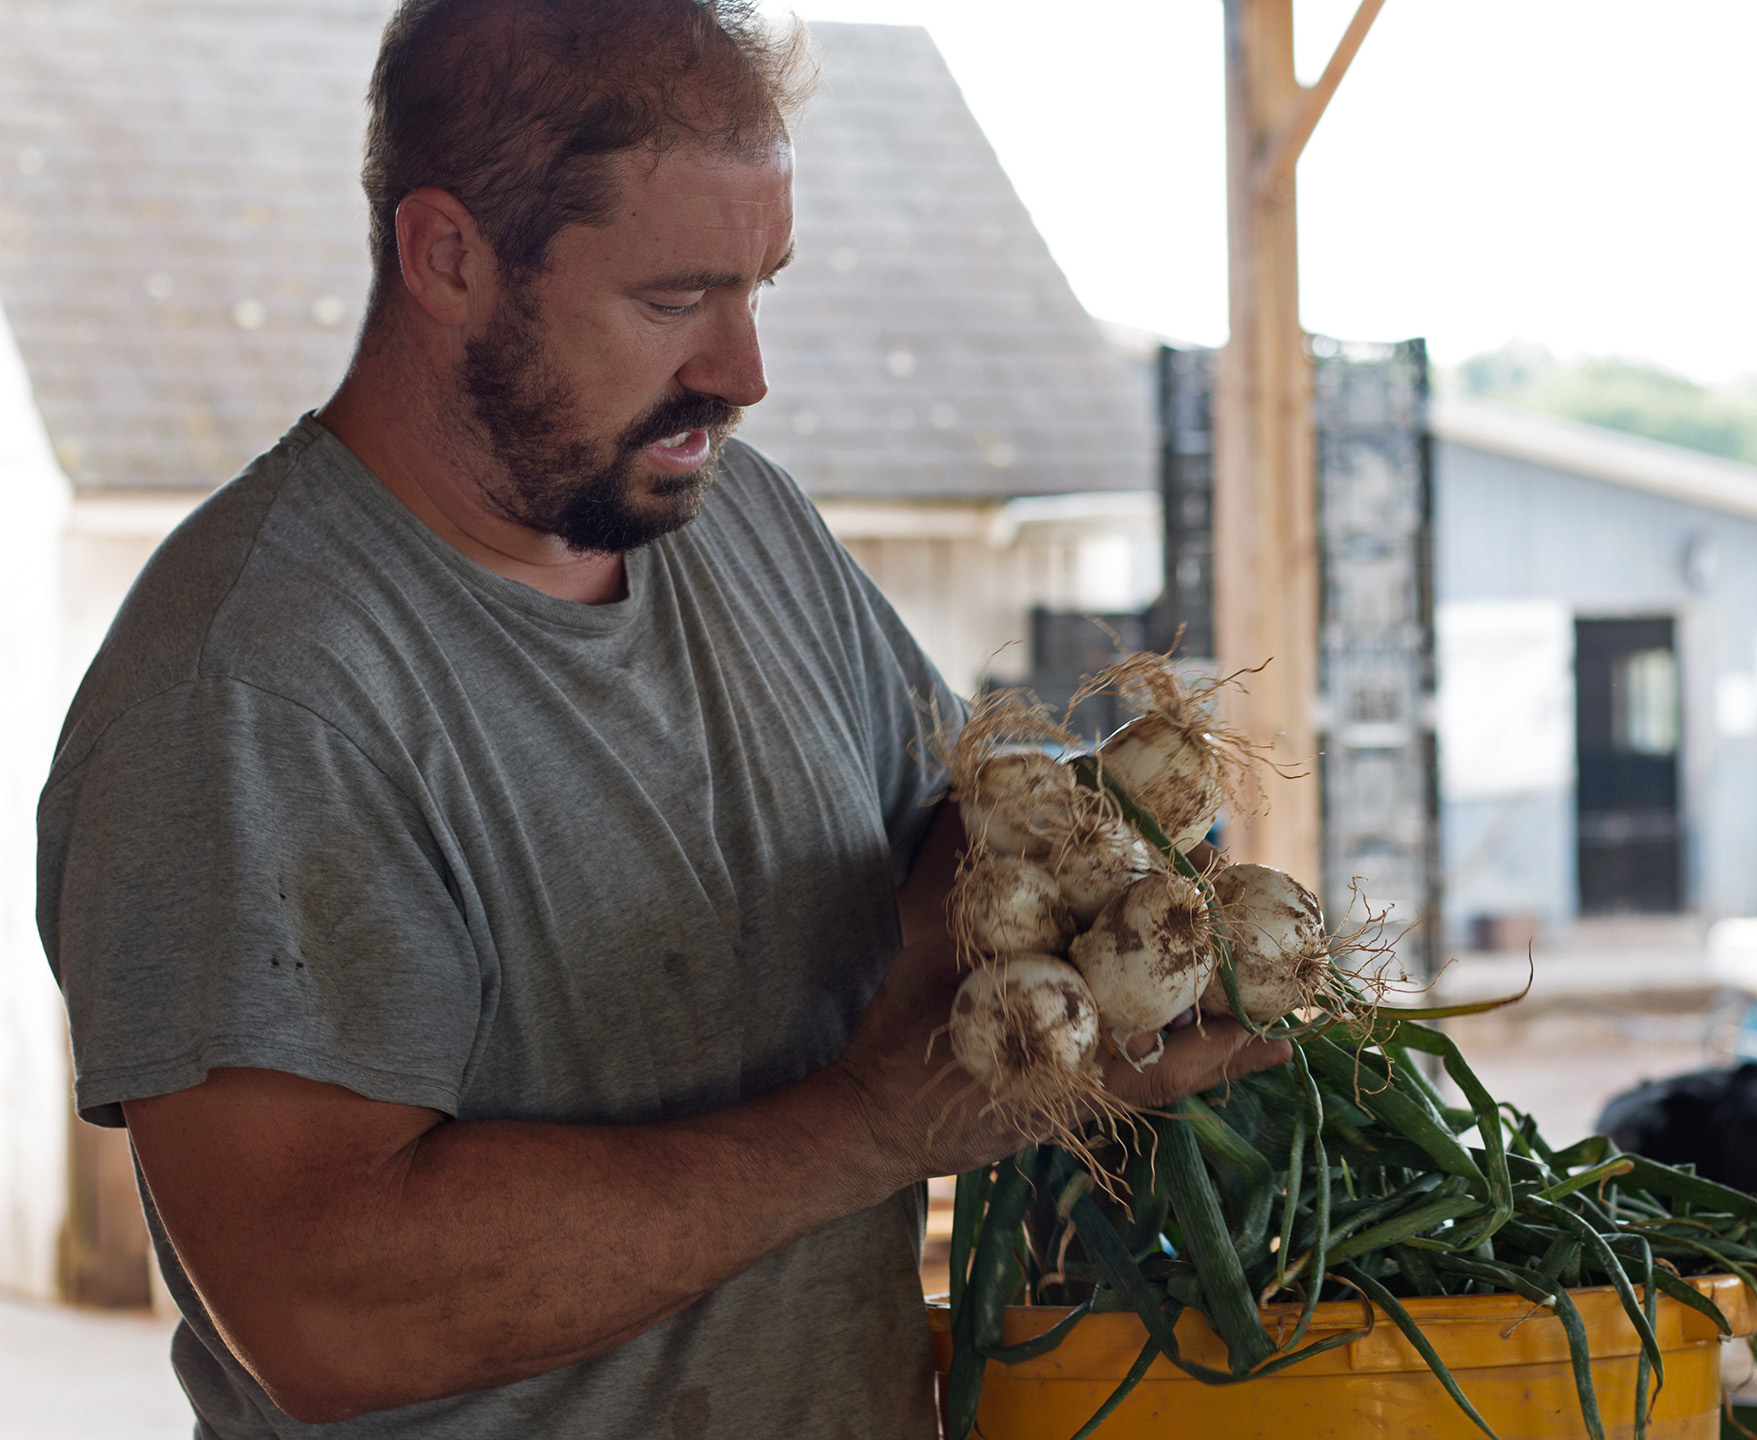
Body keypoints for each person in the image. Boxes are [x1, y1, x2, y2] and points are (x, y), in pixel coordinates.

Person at [35, 2, 1289, 1435]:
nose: (744, 371)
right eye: (674, 298)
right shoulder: (251, 690)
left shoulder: (731, 520)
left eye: (762, 286)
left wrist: (1095, 855)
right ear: (446, 257)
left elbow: (944, 833)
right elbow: (327, 1308)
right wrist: (878, 1124)